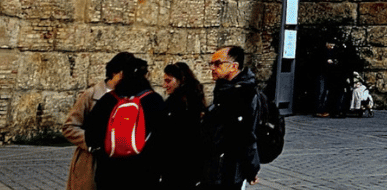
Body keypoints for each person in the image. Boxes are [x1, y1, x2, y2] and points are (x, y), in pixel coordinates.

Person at [85, 56, 167, 190]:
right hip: (143, 174)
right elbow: (163, 138)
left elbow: (91, 135)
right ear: (145, 75)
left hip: (109, 173)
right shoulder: (154, 101)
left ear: (122, 74)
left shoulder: (108, 100)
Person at [63, 53, 135, 190]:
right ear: (116, 72)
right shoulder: (91, 95)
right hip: (91, 161)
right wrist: (91, 142)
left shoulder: (130, 97)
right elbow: (69, 126)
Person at [200, 46, 260, 190]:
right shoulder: (223, 88)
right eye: (211, 64)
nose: (213, 68)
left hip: (230, 169)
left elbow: (247, 135)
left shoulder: (245, 93)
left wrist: (251, 169)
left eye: (218, 64)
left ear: (234, 66)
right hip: (214, 166)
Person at [160, 62, 206, 190]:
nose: (165, 85)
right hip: (189, 165)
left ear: (180, 80)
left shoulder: (179, 104)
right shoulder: (194, 99)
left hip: (178, 165)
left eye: (168, 81)